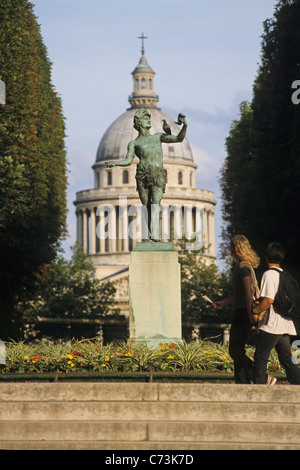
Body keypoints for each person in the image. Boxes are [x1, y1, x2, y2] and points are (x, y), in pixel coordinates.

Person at [105, 108, 187, 241]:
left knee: (155, 203)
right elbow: (128, 160)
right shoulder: (134, 143)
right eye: (145, 118)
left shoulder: (158, 137)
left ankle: (154, 234)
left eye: (148, 118)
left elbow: (178, 138)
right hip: (142, 175)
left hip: (157, 174)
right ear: (138, 123)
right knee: (147, 207)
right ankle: (151, 233)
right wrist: (115, 164)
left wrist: (185, 125)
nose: (148, 119)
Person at [212, 235, 260, 384]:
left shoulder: (243, 267)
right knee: (237, 349)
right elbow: (240, 293)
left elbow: (248, 290)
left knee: (235, 349)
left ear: (235, 248)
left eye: (230, 246)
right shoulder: (243, 266)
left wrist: (250, 312)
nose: (229, 249)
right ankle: (243, 382)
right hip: (241, 310)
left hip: (243, 312)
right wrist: (224, 302)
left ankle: (257, 375)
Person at [252, 242, 300, 385]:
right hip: (286, 323)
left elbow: (268, 300)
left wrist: (255, 311)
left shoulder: (269, 275)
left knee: (261, 358)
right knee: (288, 361)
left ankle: (259, 389)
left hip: (272, 324)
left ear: (266, 258)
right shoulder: (285, 274)